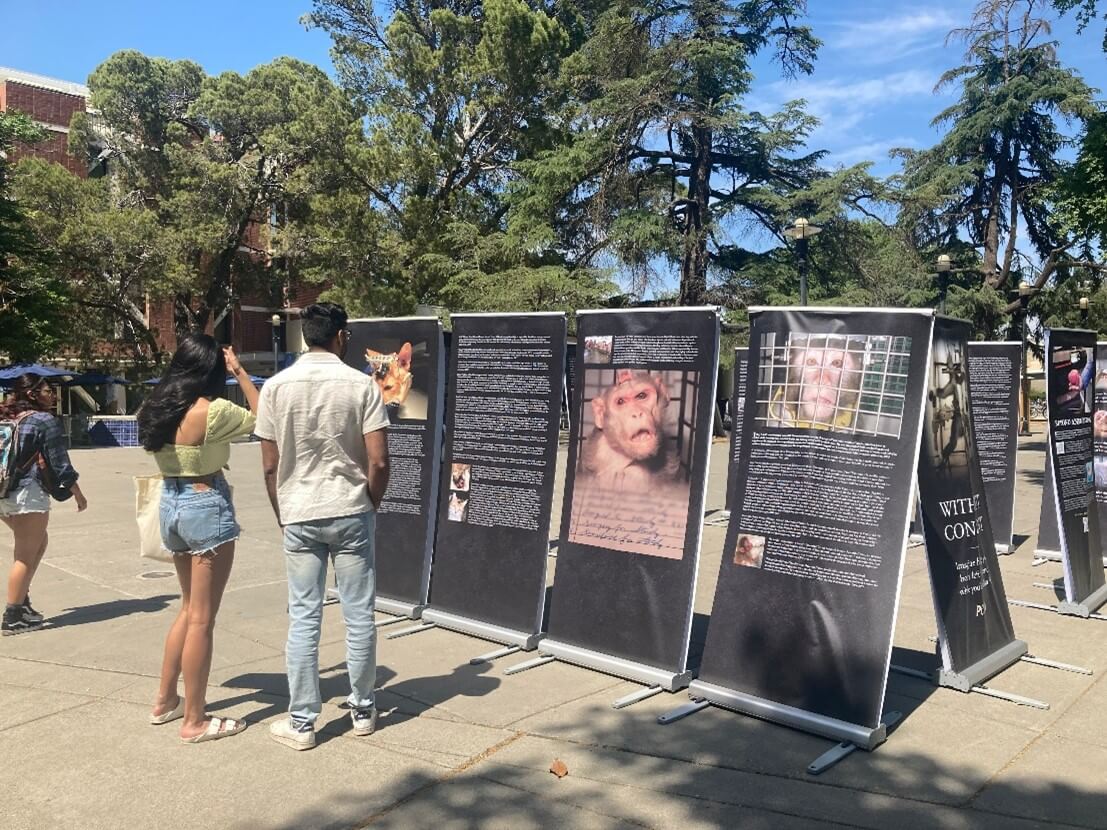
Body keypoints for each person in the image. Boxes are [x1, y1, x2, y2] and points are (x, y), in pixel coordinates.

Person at [255, 303, 390, 751]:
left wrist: (282, 511)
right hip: (351, 509)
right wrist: (371, 501)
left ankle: (302, 721)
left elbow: (270, 467)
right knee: (358, 613)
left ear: (303, 337)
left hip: (299, 511)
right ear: (341, 336)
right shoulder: (361, 386)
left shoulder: (275, 388)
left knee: (304, 617)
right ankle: (364, 708)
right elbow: (379, 460)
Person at [138, 335, 258, 744]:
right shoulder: (213, 410)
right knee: (203, 620)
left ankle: (164, 699)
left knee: (188, 609)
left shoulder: (156, 406)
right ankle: (194, 719)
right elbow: (263, 416)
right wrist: (240, 372)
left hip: (169, 503)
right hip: (205, 504)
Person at [0, 374, 87, 635]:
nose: (53, 395)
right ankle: (13, 614)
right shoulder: (44, 420)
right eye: (48, 390)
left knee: (39, 542)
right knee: (25, 555)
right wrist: (78, 495)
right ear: (32, 394)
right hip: (27, 494)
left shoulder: (6, 417)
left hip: (4, 492)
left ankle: (22, 602)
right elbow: (61, 463)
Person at [767, 336, 863, 430]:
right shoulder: (772, 410)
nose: (822, 380)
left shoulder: (852, 416)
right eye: (811, 362)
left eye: (837, 363)